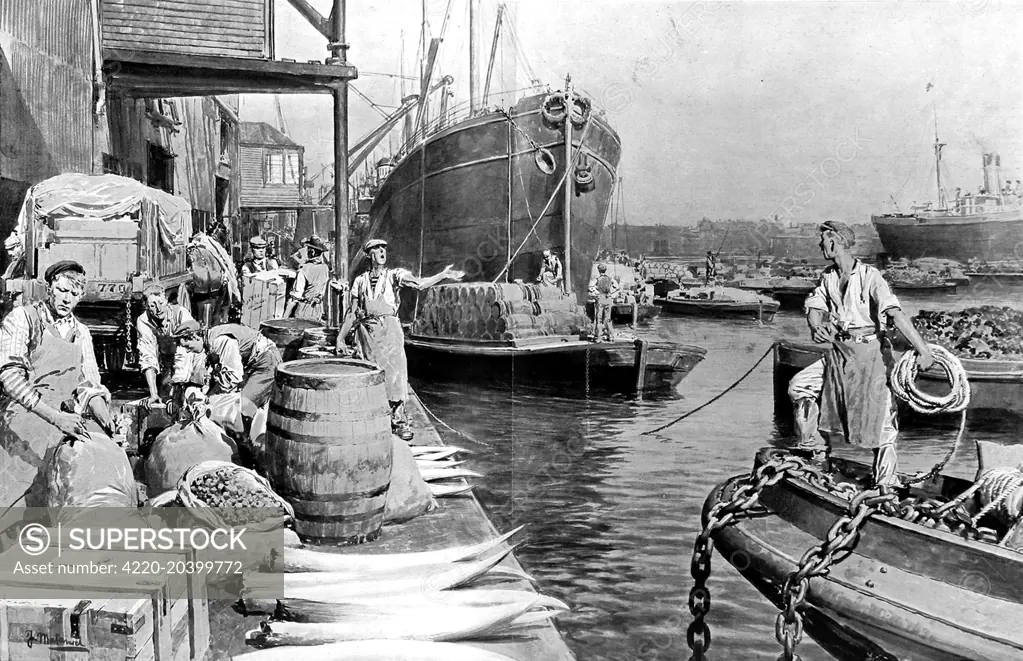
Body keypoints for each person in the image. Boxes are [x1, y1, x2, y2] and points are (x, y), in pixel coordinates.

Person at [786, 221, 934, 488]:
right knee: (800, 386)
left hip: (871, 355)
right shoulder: (828, 277)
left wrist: (923, 350)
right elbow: (814, 306)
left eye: (823, 241)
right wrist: (816, 326)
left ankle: (886, 483)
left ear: (835, 242)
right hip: (840, 353)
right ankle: (814, 448)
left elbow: (894, 313)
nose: (820, 246)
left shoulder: (870, 276)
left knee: (882, 421)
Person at [0, 261, 116, 507]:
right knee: (14, 497)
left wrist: (105, 417)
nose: (67, 299)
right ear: (49, 288)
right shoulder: (23, 318)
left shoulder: (81, 332)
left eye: (74, 294)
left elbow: (86, 384)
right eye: (62, 290)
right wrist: (54, 417)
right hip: (24, 419)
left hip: (64, 422)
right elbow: (10, 377)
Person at [337, 238, 464, 441]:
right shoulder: (360, 281)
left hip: (390, 331)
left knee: (395, 376)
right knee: (371, 374)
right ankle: (376, 418)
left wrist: (443, 275)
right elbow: (351, 313)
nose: (382, 252)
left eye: (384, 249)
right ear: (369, 254)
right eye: (377, 249)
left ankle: (398, 422)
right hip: (368, 333)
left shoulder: (395, 275)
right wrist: (340, 339)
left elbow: (419, 284)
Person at [170, 319, 282, 427]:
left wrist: (209, 398)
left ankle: (252, 442)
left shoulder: (221, 341)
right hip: (253, 363)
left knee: (245, 407)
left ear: (195, 337)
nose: (189, 351)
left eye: (188, 346)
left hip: (266, 361)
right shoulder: (209, 342)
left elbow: (234, 377)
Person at [137, 285, 194, 406]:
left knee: (184, 399)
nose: (158, 309)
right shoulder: (143, 320)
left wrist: (178, 392)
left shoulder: (181, 313)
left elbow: (184, 351)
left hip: (190, 362)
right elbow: (147, 354)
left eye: (161, 303)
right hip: (166, 362)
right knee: (164, 394)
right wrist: (153, 393)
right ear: (146, 307)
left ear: (167, 301)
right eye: (152, 306)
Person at [284, 236, 331, 320]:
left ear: (312, 251)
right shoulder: (325, 268)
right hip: (317, 311)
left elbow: (295, 297)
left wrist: (284, 318)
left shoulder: (304, 269)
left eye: (308, 249)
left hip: (303, 310)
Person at [588, 263, 619, 342]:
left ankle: (599, 337)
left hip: (601, 299)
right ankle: (611, 336)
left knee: (599, 319)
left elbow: (590, 287)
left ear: (599, 270)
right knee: (608, 319)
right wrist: (611, 294)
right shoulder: (610, 278)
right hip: (608, 298)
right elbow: (617, 287)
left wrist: (596, 292)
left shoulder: (597, 279)